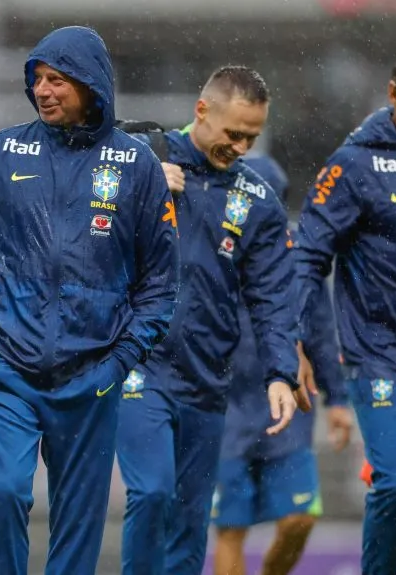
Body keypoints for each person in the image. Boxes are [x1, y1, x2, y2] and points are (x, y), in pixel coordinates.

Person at [0, 26, 181, 575]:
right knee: (3, 493)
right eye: (37, 80)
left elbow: (161, 282)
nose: (43, 91)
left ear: (91, 85)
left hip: (92, 374)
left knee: (80, 518)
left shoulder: (137, 166)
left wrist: (118, 362)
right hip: (4, 368)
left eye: (57, 80)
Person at [115, 66, 312, 575]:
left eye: (252, 136)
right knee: (152, 491)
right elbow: (71, 190)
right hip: (141, 363)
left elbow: (272, 297)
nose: (242, 146)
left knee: (189, 520)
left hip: (207, 376)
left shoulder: (258, 202)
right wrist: (142, 182)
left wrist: (278, 373)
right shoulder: (137, 153)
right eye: (233, 133)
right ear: (202, 111)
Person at [294, 38, 396, 575]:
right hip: (382, 356)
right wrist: (293, 337)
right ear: (394, 94)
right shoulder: (353, 166)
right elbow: (306, 258)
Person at [211, 154, 354, 575]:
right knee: (230, 529)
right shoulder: (211, 249)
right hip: (226, 412)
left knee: (300, 519)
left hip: (288, 414)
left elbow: (321, 332)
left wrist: (339, 398)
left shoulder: (299, 259)